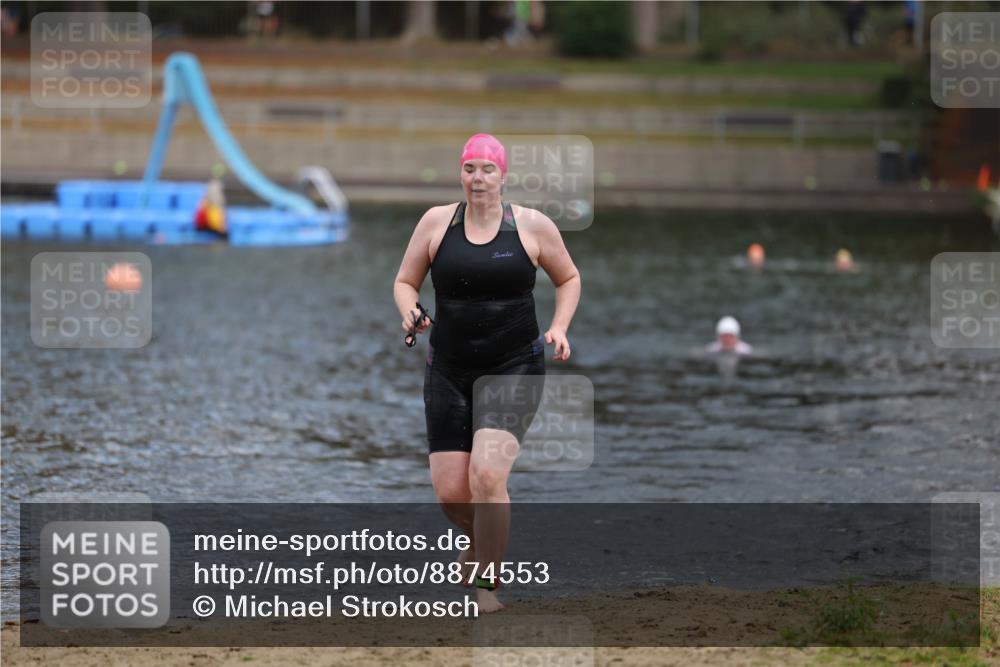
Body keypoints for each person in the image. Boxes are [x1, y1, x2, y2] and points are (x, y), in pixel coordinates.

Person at [393, 133, 581, 613]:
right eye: (469, 168)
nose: (477, 178)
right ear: (461, 173)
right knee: (452, 494)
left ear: (503, 175)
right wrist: (409, 310)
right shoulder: (436, 222)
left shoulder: (532, 226)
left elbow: (569, 278)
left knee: (487, 475)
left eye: (487, 169)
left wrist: (559, 327)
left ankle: (486, 589)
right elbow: (405, 281)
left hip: (513, 366)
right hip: (448, 369)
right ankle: (481, 538)